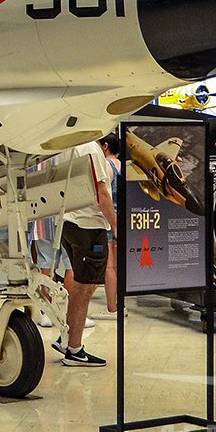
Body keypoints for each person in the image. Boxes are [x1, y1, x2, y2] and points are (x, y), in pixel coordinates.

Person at [55, 140, 116, 367]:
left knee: (81, 286)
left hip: (69, 223)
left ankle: (68, 339)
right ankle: (74, 349)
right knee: (85, 287)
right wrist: (116, 225)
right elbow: (102, 192)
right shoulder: (90, 149)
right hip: (88, 226)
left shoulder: (67, 146)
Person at [92, 132, 122, 320]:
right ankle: (119, 303)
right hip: (123, 216)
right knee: (118, 265)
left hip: (111, 217)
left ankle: (112, 307)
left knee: (109, 266)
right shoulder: (123, 166)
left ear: (105, 146)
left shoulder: (107, 166)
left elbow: (103, 194)